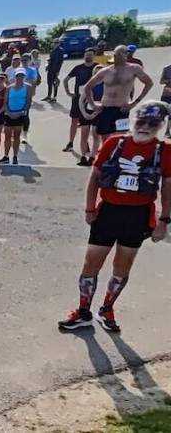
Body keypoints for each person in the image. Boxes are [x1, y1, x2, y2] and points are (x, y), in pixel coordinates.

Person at [58, 102, 171, 333]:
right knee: (91, 263)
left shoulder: (164, 151)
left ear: (161, 126)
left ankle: (107, 309)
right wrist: (90, 209)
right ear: (134, 121)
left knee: (122, 267)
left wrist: (164, 221)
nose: (145, 127)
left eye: (153, 123)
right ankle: (83, 312)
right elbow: (95, 176)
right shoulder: (114, 143)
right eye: (141, 121)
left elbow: (167, 188)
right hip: (108, 211)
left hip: (138, 215)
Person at [79, 45, 154, 141]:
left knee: (120, 138)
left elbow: (149, 83)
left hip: (122, 109)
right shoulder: (105, 71)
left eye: (120, 54)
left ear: (126, 55)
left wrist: (135, 102)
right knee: (105, 138)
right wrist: (92, 104)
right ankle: (107, 155)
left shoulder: (134, 69)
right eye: (116, 54)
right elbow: (88, 87)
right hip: (106, 108)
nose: (117, 57)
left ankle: (116, 155)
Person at [64, 49, 98, 164]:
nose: (88, 57)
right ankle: (70, 143)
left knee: (90, 125)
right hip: (78, 98)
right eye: (86, 55)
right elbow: (66, 79)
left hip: (91, 100)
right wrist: (69, 93)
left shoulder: (97, 68)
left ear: (94, 56)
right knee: (74, 121)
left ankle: (88, 146)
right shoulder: (78, 68)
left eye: (90, 55)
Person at [0, 70, 31, 164]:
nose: (19, 77)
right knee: (7, 136)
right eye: (18, 76)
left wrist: (21, 113)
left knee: (16, 136)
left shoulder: (28, 87)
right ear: (15, 77)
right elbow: (5, 102)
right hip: (9, 114)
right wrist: (9, 112)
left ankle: (15, 156)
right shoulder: (9, 88)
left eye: (21, 75)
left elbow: (28, 101)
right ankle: (6, 156)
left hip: (20, 114)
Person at [161, 62, 171, 138]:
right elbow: (161, 81)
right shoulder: (166, 69)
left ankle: (167, 131)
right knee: (162, 113)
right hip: (166, 94)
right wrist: (168, 80)